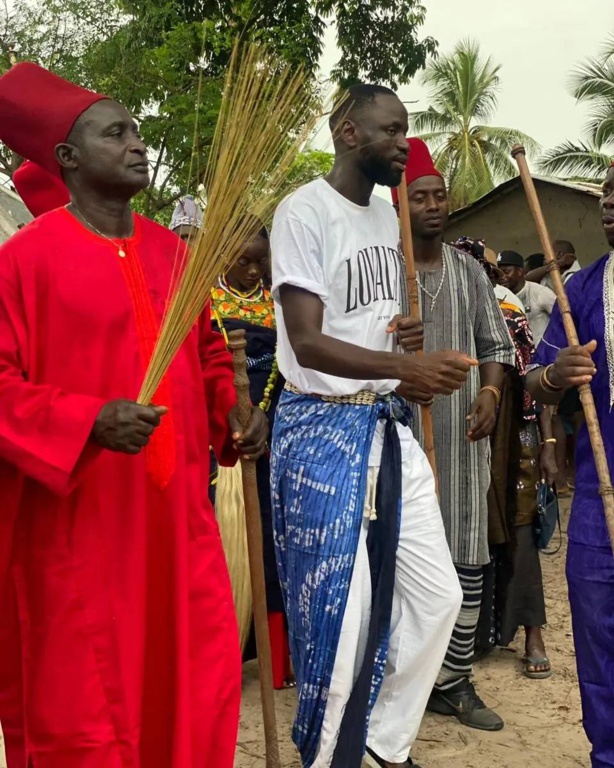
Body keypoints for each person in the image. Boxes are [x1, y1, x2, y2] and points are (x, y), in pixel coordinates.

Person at [0, 62, 268, 768]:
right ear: (67, 157)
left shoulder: (173, 251)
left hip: (177, 517)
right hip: (79, 530)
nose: (137, 143)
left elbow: (208, 354)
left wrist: (234, 409)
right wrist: (87, 421)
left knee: (193, 681)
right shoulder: (25, 260)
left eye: (137, 130)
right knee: (87, 703)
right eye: (115, 132)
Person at [270, 83, 472, 768]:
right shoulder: (303, 211)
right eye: (391, 131)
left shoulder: (392, 219)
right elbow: (306, 342)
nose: (402, 144)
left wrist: (400, 344)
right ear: (349, 132)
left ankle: (384, 746)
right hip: (322, 427)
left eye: (405, 129)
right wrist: (402, 370)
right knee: (341, 617)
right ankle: (327, 757)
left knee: (438, 596)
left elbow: (372, 321)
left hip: (386, 423)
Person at [393, 139, 515, 732]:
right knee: (407, 564)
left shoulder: (470, 272)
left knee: (467, 558)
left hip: (465, 438)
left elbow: (496, 348)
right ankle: (405, 682)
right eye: (421, 197)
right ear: (400, 205)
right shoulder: (386, 268)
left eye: (440, 196)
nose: (434, 206)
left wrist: (489, 394)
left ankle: (455, 680)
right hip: (403, 436)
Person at [527, 161, 614, 768]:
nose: (608, 204)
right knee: (598, 630)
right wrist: (555, 376)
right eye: (606, 195)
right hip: (599, 494)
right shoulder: (581, 292)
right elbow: (536, 377)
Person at [456, 241, 557, 680]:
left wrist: (549, 443)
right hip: (460, 425)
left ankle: (532, 631)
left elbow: (533, 376)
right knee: (467, 524)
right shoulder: (442, 298)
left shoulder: (508, 304)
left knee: (519, 523)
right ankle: (470, 636)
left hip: (512, 432)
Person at [209, 219, 292, 689]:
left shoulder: (279, 306)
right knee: (225, 546)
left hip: (272, 433)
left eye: (261, 260)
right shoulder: (206, 305)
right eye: (243, 260)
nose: (253, 270)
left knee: (271, 543)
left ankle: (276, 662)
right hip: (220, 440)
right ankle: (222, 655)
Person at [497, 249, 556, 347]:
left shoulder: (540, 293)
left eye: (506, 272)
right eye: (499, 274)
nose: (502, 277)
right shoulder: (499, 297)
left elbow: (562, 319)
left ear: (520, 271)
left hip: (543, 356)